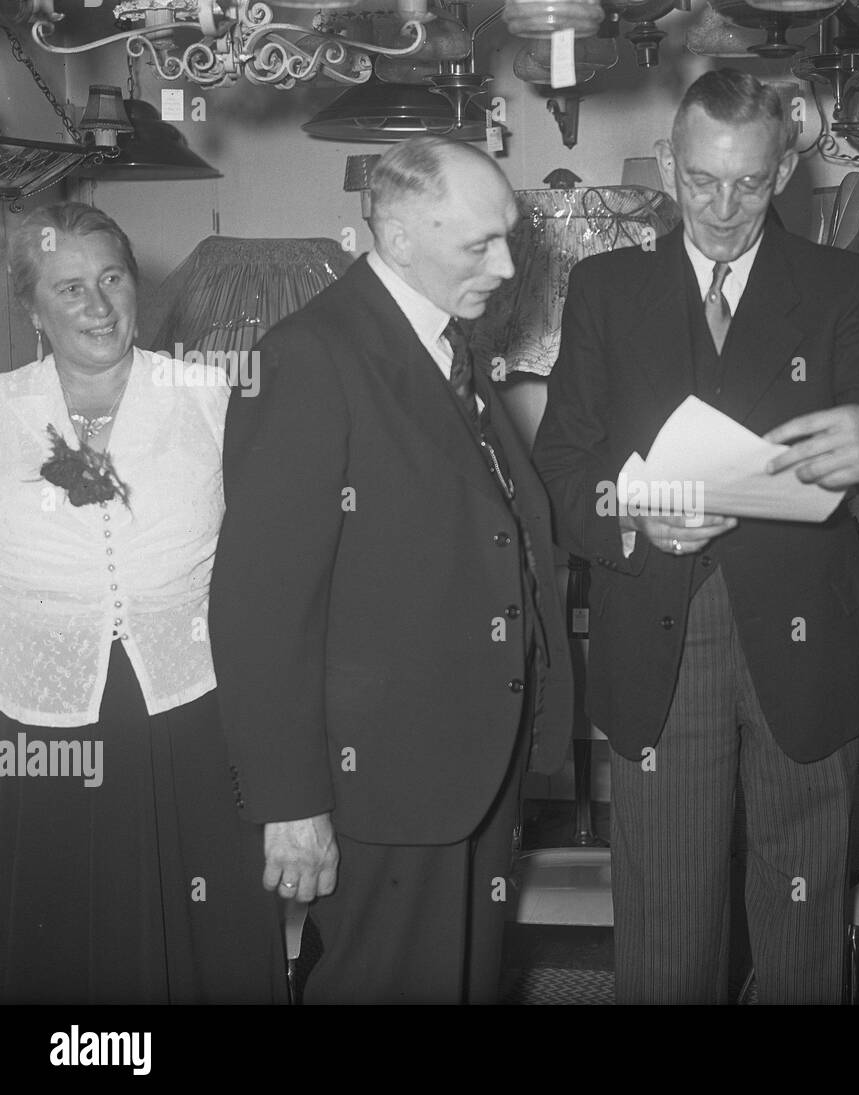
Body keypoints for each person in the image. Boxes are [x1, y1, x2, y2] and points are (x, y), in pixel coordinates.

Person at [533, 69, 859, 1004]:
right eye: (702, 180)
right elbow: (561, 466)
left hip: (805, 640)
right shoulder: (606, 288)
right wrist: (632, 515)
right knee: (667, 931)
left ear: (785, 167)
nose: (722, 207)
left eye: (749, 183)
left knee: (801, 931)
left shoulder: (844, 286)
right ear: (671, 165)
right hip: (661, 638)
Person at [209, 137, 573, 1004]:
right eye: (480, 243)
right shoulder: (310, 355)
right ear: (400, 238)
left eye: (509, 237)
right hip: (382, 784)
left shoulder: (449, 351)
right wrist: (292, 803)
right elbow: (260, 606)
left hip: (463, 771)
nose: (508, 262)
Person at [0, 201, 281, 1003]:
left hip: (192, 708)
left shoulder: (211, 395)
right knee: (65, 930)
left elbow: (273, 556)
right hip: (42, 722)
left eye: (112, 278)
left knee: (206, 932)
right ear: (33, 311)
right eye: (70, 288)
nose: (98, 304)